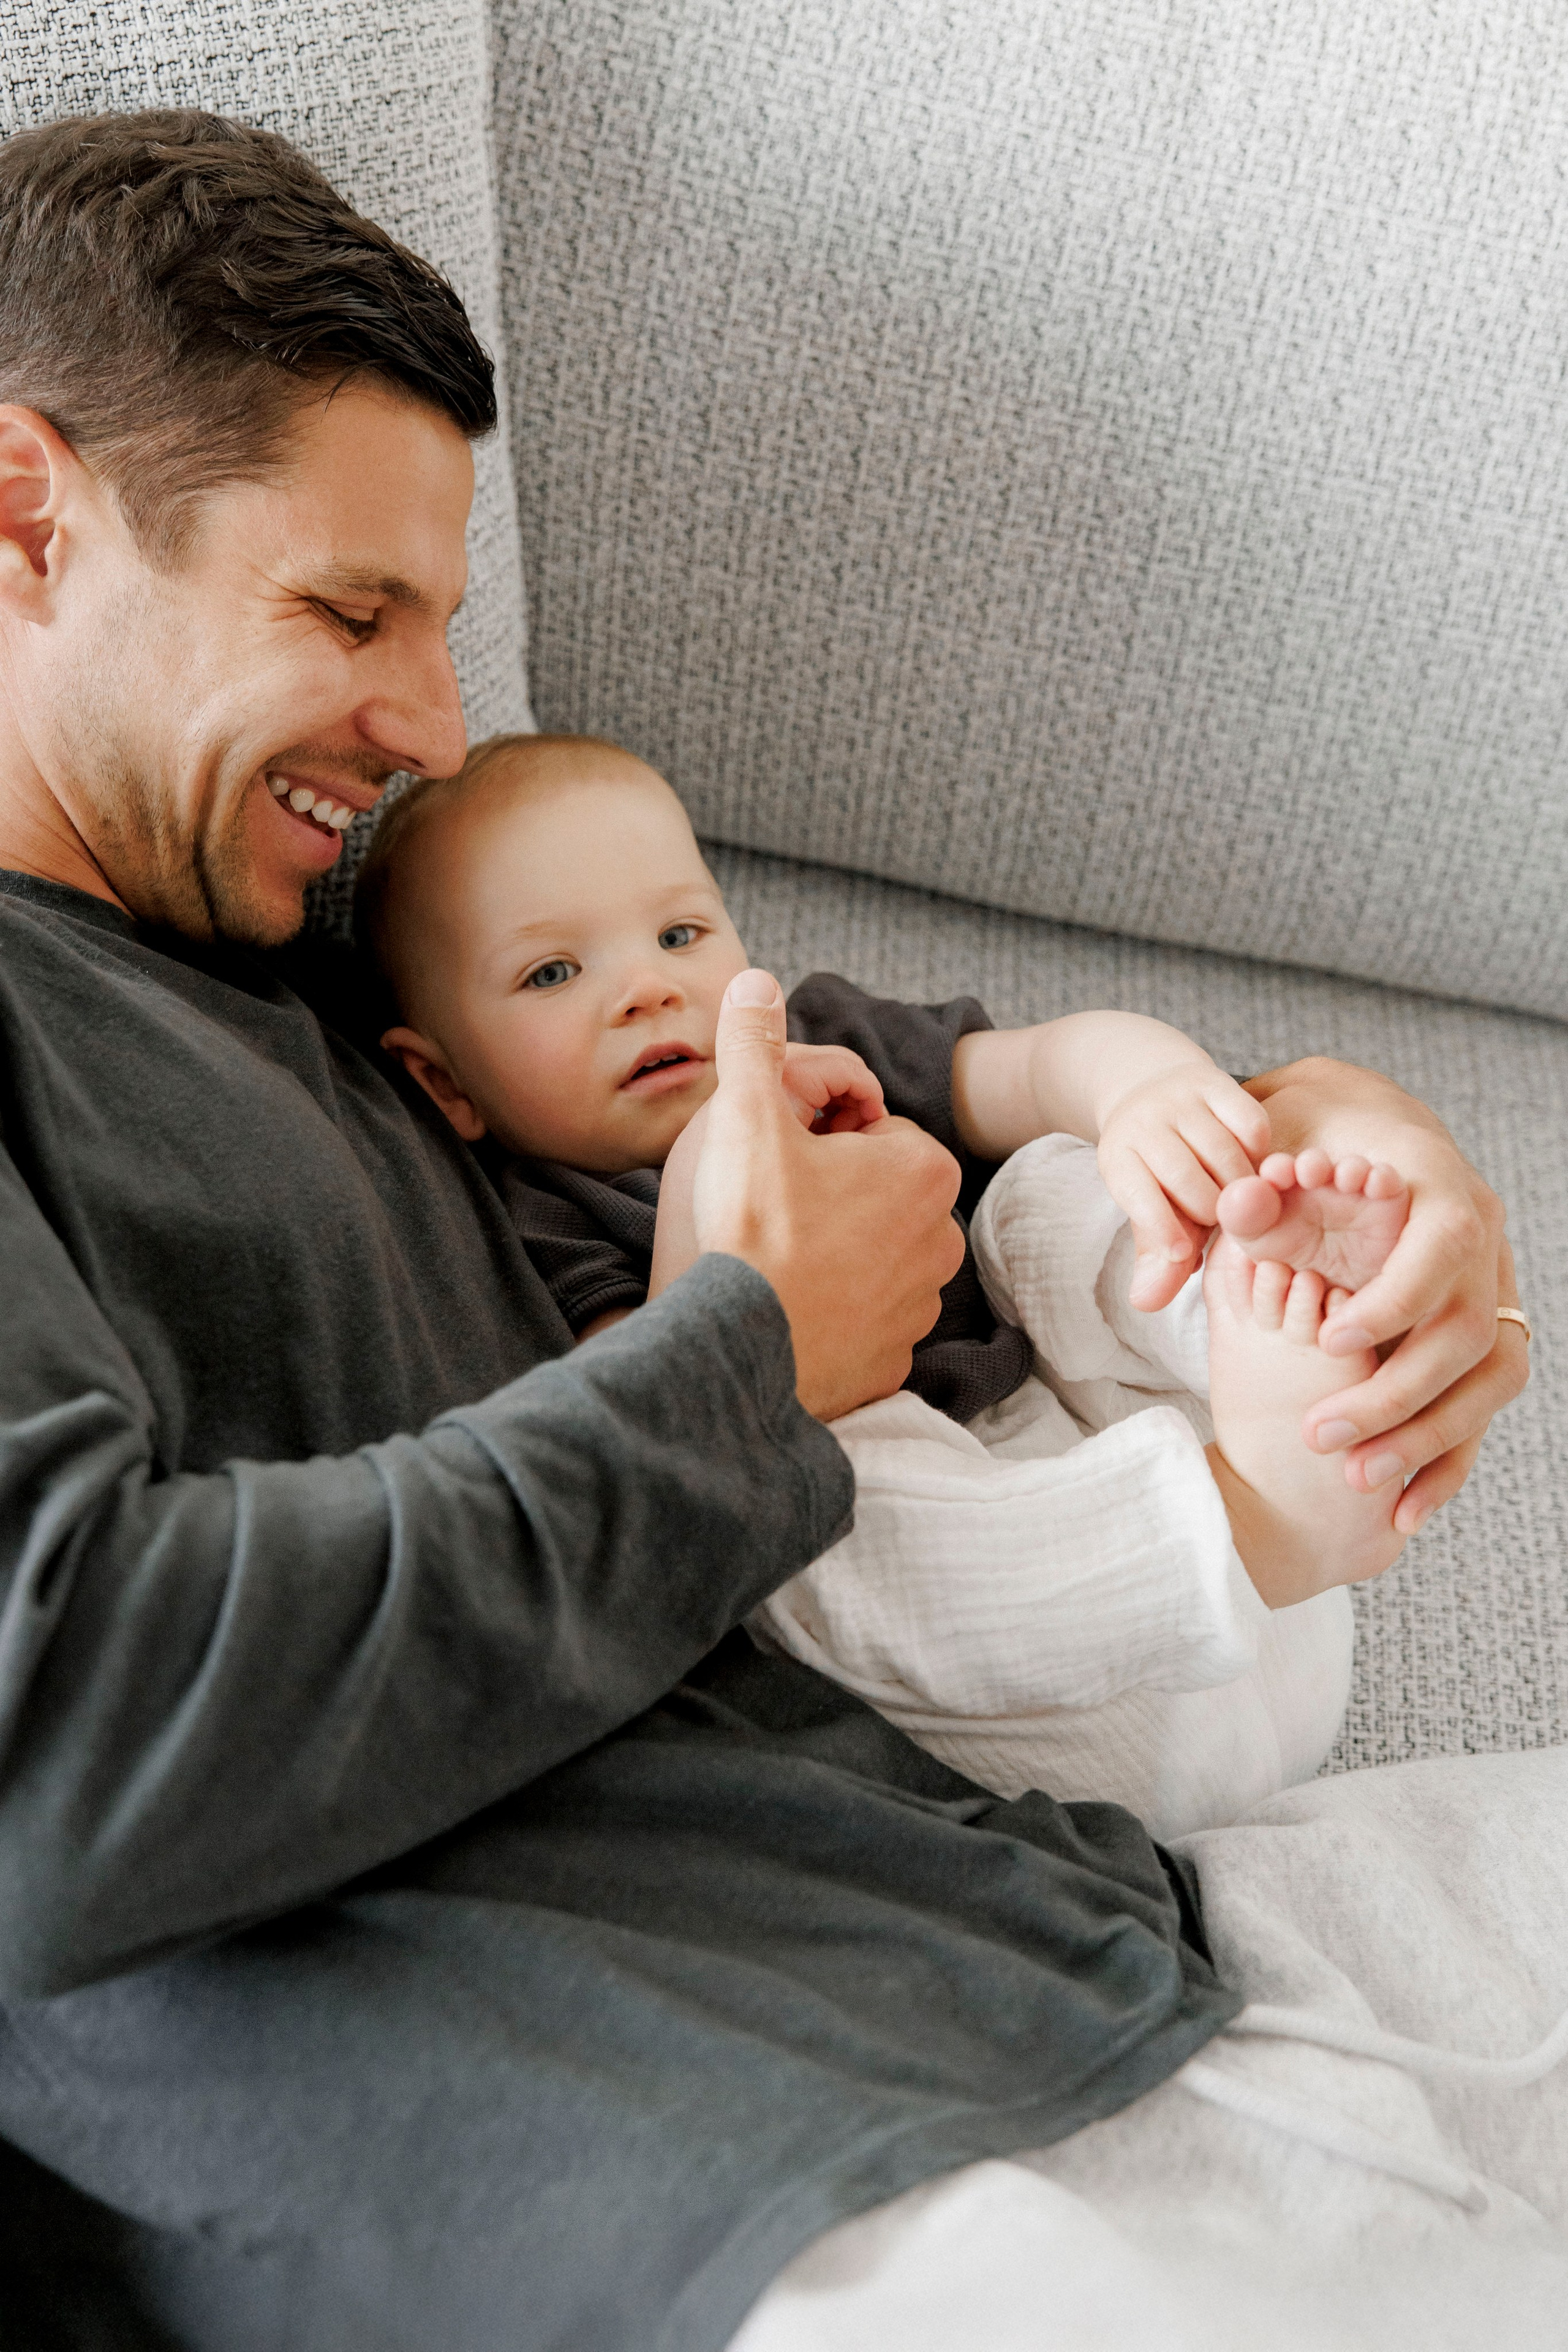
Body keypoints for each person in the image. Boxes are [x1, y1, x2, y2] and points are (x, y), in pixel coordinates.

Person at [0, 108, 1529, 2351]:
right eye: (347, 611)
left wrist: (1374, 1157)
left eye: (439, 624)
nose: (433, 725)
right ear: (25, 513)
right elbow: (63, 1753)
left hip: (1114, 1950)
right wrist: (743, 1357)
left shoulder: (338, 948)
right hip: (759, 2179)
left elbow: (928, 1102)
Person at [358, 729, 1417, 1836]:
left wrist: (1151, 1090)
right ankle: (1265, 1514)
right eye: (552, 973)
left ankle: (1261, 1309)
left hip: (1243, 1590)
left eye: (680, 933)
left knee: (1041, 1186)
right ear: (445, 1083)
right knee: (805, 1507)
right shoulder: (534, 1224)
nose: (649, 989)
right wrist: (707, 1213)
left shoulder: (826, 1036)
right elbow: (670, 1438)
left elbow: (1041, 1066)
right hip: (1047, 1681)